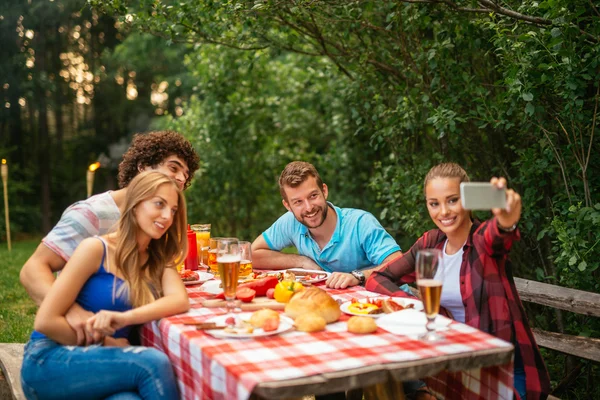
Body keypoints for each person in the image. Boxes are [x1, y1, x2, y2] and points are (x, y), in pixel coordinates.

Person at [366, 163, 550, 400]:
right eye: (434, 203)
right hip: (454, 365)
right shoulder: (430, 243)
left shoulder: (482, 241)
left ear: (467, 200)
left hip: (501, 372)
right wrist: (415, 307)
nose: (443, 211)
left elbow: (498, 237)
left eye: (452, 200)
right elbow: (379, 278)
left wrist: (506, 222)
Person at [20, 171, 190, 399]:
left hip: (104, 365)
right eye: (159, 204)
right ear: (135, 204)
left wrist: (125, 318)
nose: (167, 216)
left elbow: (179, 300)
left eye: (173, 210)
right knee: (152, 363)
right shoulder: (95, 249)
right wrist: (106, 341)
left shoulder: (158, 260)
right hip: (50, 359)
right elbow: (46, 321)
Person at [20, 130, 199, 345]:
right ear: (142, 167)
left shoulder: (158, 220)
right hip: (82, 337)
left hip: (127, 324)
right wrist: (70, 310)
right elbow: (32, 269)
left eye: (185, 175)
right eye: (173, 167)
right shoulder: (92, 214)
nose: (181, 178)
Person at [252, 160, 402, 289]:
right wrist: (301, 261)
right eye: (298, 202)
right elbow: (251, 255)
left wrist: (358, 276)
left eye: (313, 196)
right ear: (287, 206)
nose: (309, 207)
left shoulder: (360, 222)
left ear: (324, 191)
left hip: (391, 303)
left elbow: (398, 263)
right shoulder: (290, 222)